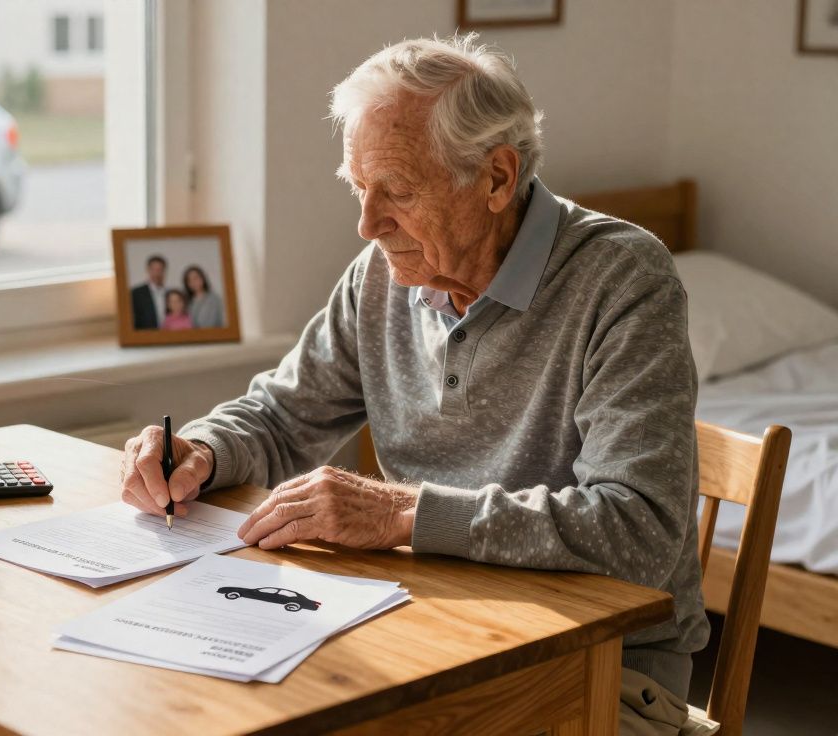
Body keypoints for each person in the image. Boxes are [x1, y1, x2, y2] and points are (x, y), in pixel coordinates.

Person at [119, 34, 711, 736]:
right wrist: (204, 451)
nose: (368, 225)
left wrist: (402, 513)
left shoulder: (623, 280)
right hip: (426, 631)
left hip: (602, 668)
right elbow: (281, 418)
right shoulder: (381, 277)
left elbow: (639, 528)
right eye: (358, 189)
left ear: (496, 177)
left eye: (397, 191)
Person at [130, 255, 168, 330]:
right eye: (154, 269)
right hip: (146, 337)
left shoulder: (170, 293)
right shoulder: (136, 293)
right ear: (148, 270)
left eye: (160, 269)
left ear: (164, 271)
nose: (157, 273)